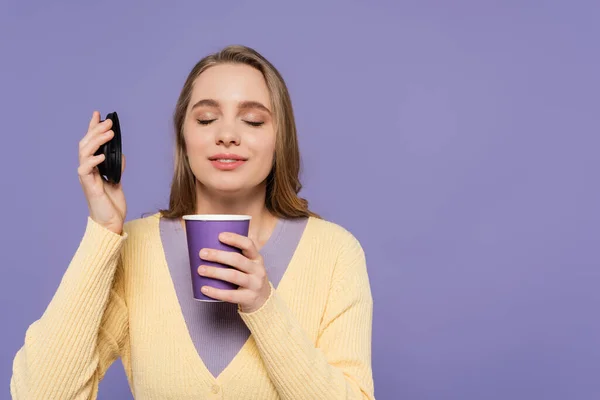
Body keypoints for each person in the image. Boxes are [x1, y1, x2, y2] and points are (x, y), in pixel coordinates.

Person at [10, 45, 375, 399]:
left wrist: (264, 307)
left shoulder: (335, 253)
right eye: (206, 119)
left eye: (252, 120)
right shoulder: (135, 248)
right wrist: (103, 233)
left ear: (281, 139)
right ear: (184, 139)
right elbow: (40, 394)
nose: (227, 135)